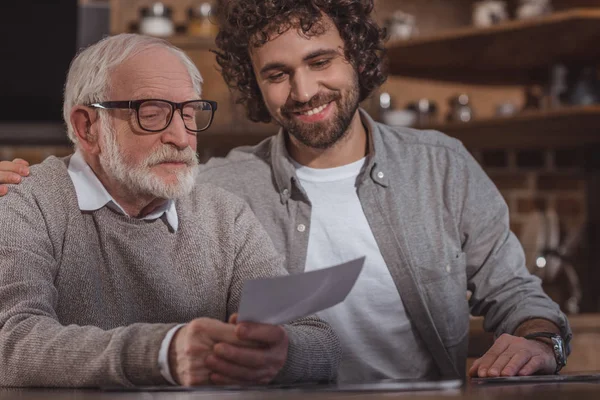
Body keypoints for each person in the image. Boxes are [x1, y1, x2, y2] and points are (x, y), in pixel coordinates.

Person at [1, 0, 571, 382]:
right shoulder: (214, 185)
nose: (303, 90)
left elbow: (516, 295)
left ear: (357, 58)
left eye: (320, 61)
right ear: (257, 85)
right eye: (277, 74)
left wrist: (543, 341)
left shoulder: (441, 166)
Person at [0, 33, 341, 388]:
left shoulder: (224, 214)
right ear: (88, 128)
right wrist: (161, 353)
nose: (181, 138)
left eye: (189, 113)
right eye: (152, 114)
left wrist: (280, 354)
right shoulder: (26, 200)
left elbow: (320, 340)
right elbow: (11, 341)